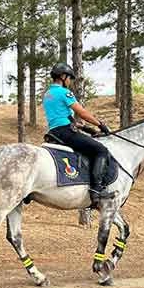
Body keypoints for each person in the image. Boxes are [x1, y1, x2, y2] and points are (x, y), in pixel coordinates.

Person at [42, 62, 115, 204]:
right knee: (101, 150)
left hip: (54, 131)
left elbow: (63, 116)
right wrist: (100, 124)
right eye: (69, 78)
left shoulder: (48, 94)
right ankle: (96, 189)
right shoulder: (64, 92)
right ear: (63, 77)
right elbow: (81, 112)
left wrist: (88, 129)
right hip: (66, 131)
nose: (69, 81)